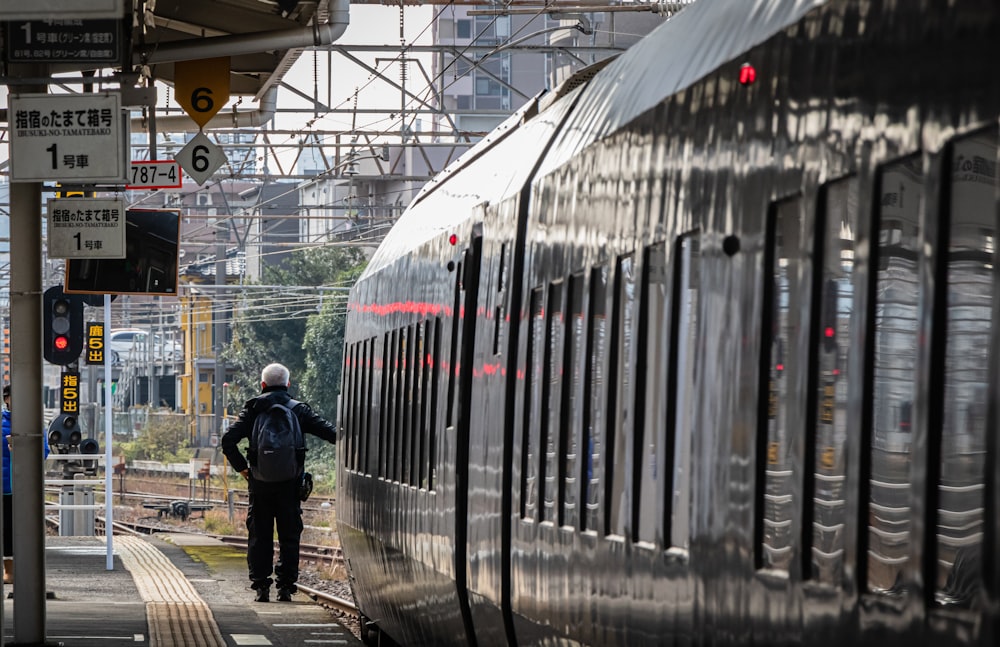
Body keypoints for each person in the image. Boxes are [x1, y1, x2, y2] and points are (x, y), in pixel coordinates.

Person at [220, 363, 336, 602]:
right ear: (288, 384)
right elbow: (332, 434)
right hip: (290, 484)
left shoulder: (252, 410)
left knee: (259, 535)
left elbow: (228, 440)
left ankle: (261, 587)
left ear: (262, 385)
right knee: (289, 536)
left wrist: (244, 470)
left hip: (260, 485)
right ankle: (285, 587)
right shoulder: (299, 410)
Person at [2, 384, 50, 585]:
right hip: (4, 485)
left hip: (25, 487)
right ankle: (9, 571)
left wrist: (21, 448)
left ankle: (21, 571)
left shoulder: (35, 423)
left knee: (23, 530)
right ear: (6, 400)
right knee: (6, 530)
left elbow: (44, 451)